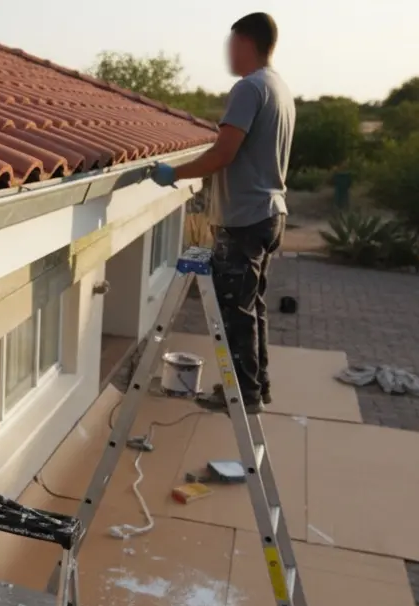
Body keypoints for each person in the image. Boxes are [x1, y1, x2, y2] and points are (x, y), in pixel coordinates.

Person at [151, 12, 295, 413]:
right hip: (271, 213)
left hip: (246, 218)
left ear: (245, 42)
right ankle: (257, 387)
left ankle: (243, 396)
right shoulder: (279, 88)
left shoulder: (249, 88)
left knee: (235, 312)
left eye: (230, 44)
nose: (227, 54)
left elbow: (223, 152)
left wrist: (174, 174)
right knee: (252, 308)